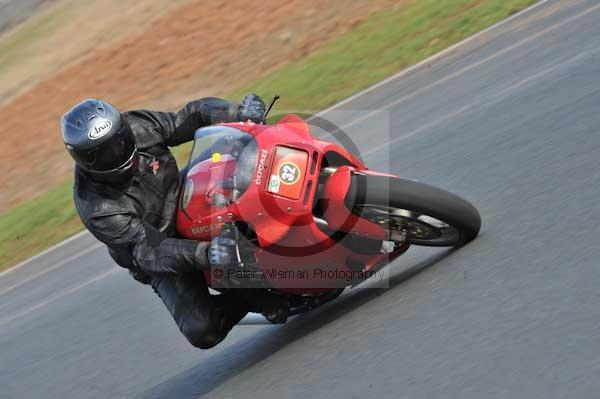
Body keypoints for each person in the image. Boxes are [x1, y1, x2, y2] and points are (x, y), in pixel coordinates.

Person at [60, 95, 287, 349]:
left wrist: (237, 112)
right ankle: (251, 296)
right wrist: (207, 253)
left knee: (239, 155)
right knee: (203, 329)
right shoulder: (96, 206)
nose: (117, 153)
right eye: (102, 154)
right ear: (84, 160)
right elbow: (147, 249)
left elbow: (189, 117)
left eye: (119, 141)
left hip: (183, 193)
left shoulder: (137, 126)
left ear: (123, 128)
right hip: (160, 249)